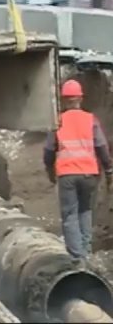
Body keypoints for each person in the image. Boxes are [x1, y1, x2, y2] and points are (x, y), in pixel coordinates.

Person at [43, 79, 113, 260]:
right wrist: (109, 170)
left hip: (67, 174)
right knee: (85, 211)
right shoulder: (90, 120)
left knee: (69, 215)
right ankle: (86, 251)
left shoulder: (57, 121)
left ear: (64, 100)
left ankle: (77, 257)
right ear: (80, 99)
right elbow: (102, 147)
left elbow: (49, 149)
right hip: (89, 173)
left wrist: (49, 169)